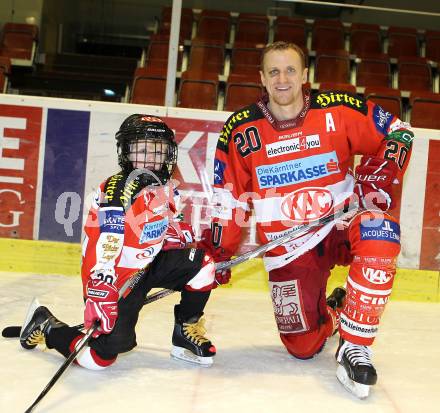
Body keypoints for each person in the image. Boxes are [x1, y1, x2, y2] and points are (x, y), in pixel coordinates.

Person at [204, 41, 413, 398]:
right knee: (302, 347)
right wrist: (220, 252)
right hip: (290, 245)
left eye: (290, 70)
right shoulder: (241, 130)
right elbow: (228, 199)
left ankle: (355, 345)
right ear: (262, 79)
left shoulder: (339, 110)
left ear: (304, 75)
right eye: (273, 71)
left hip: (342, 221)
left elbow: (399, 131)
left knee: (381, 231)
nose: (282, 79)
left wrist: (381, 170)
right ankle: (336, 310)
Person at [19, 114, 218, 369]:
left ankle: (184, 335)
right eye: (142, 149)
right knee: (98, 359)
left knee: (204, 266)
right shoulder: (117, 188)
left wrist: (179, 237)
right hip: (116, 275)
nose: (150, 158)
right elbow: (109, 237)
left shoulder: (165, 184)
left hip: (149, 264)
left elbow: (165, 222)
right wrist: (102, 281)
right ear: (126, 152)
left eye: (157, 151)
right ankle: (47, 325)